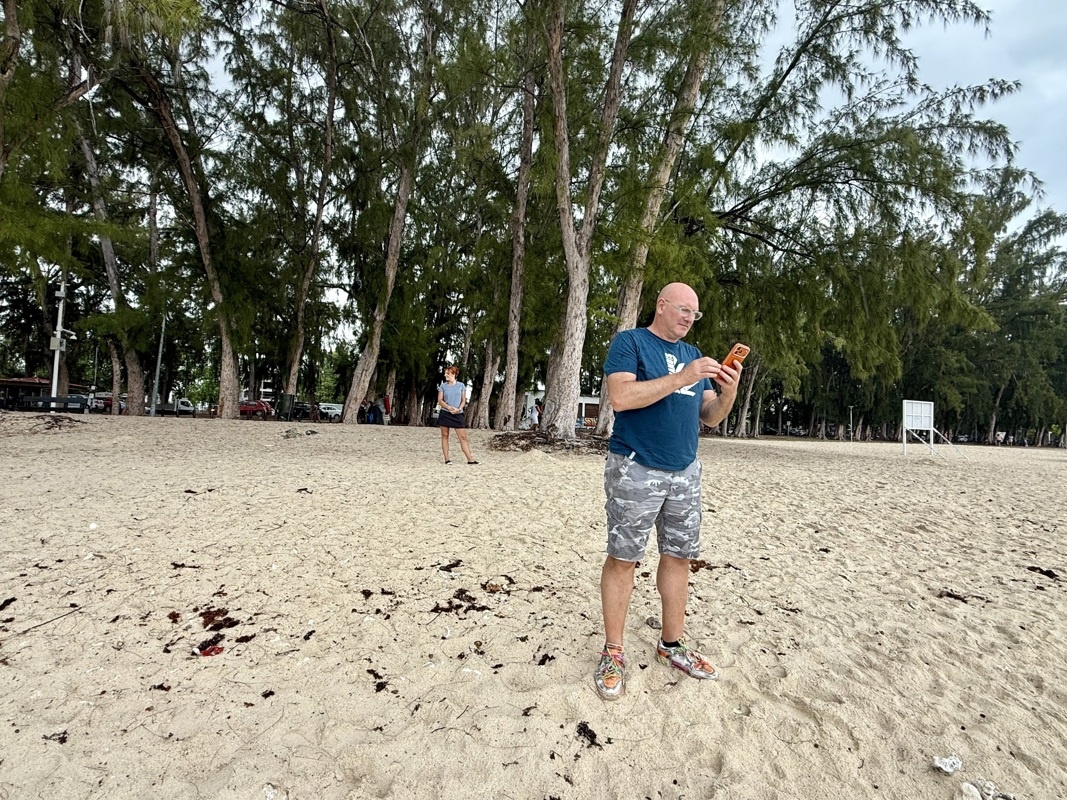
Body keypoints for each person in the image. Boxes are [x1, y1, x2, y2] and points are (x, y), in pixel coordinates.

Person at [594, 282, 742, 701]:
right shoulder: (631, 343)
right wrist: (681, 377)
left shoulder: (696, 356)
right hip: (635, 466)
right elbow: (621, 398)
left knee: (679, 558)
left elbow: (710, 417)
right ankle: (614, 651)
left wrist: (728, 392)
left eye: (694, 314)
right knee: (624, 558)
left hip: (685, 472)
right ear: (661, 306)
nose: (688, 318)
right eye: (682, 310)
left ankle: (671, 645)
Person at [437, 366, 478, 464]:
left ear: (454, 374)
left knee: (463, 437)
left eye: (448, 373)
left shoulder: (461, 386)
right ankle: (447, 459)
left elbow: (463, 400)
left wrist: (458, 409)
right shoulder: (443, 386)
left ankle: (470, 459)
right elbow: (440, 400)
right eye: (445, 373)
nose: (445, 375)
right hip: (445, 413)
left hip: (458, 413)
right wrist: (448, 407)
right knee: (445, 436)